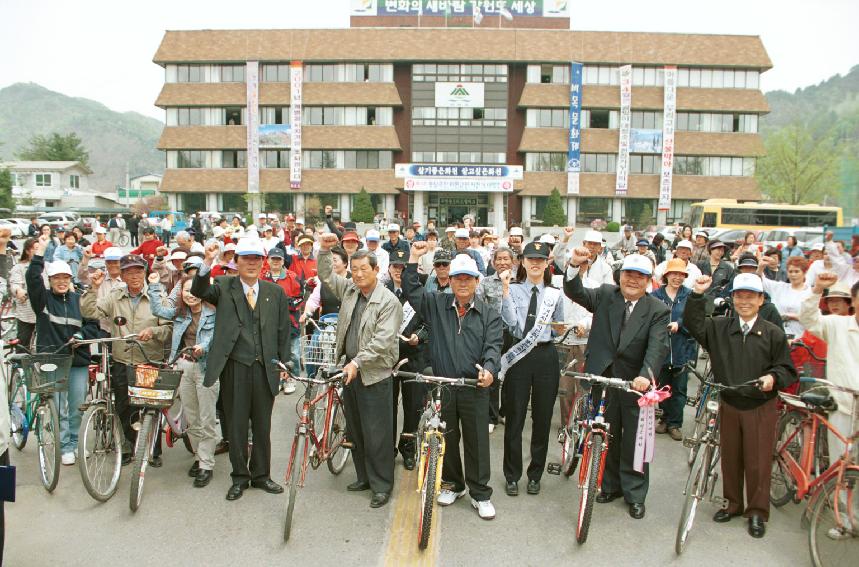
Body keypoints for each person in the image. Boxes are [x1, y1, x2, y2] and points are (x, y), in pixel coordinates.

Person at [685, 273, 797, 538]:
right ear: (733, 298)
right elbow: (692, 322)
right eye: (739, 295)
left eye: (750, 296)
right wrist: (697, 295)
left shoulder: (773, 333)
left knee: (758, 461)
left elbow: (787, 369)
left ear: (761, 300)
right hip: (729, 400)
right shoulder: (719, 327)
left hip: (760, 405)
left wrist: (773, 378)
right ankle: (732, 504)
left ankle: (757, 512)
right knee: (731, 457)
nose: (744, 301)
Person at [564, 250, 670, 519]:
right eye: (628, 274)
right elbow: (575, 291)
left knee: (635, 439)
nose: (633, 280)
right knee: (606, 433)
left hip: (635, 383)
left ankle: (634, 493)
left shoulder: (657, 309)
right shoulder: (604, 295)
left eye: (640, 276)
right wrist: (575, 265)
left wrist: (646, 375)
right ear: (620, 276)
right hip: (603, 376)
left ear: (648, 281)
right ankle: (609, 485)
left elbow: (657, 346)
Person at [404, 242, 502, 520]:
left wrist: (490, 371)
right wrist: (413, 257)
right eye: (457, 278)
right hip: (443, 384)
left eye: (467, 279)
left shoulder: (489, 315)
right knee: (446, 437)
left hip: (474, 387)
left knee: (477, 442)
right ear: (449, 281)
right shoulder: (436, 304)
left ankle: (480, 493)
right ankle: (454, 484)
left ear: (476, 281)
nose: (462, 283)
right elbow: (412, 291)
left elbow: (493, 347)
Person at [190, 239, 291, 500]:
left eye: (257, 258)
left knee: (262, 426)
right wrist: (207, 263)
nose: (252, 263)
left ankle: (261, 475)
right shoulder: (224, 286)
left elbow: (283, 331)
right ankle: (240, 477)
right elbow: (199, 289)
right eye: (246, 258)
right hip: (234, 366)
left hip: (264, 367)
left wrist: (285, 364)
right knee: (235, 427)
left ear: (263, 261)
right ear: (237, 261)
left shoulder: (275, 292)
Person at [317, 236, 401, 508]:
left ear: (377, 270)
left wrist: (356, 362)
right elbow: (326, 275)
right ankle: (364, 477)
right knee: (356, 430)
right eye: (355, 270)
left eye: (365, 269)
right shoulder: (351, 290)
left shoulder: (389, 302)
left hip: (374, 374)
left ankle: (381, 485)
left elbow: (382, 342)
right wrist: (325, 250)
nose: (359, 274)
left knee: (377, 434)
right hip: (350, 371)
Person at [81, 254, 173, 465]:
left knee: (150, 405)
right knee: (124, 405)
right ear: (122, 275)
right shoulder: (114, 297)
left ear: (145, 273)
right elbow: (90, 312)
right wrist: (93, 288)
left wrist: (153, 331)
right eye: (129, 272)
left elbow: (168, 329)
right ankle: (131, 447)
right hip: (122, 360)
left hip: (149, 359)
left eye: (138, 271)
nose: (134, 276)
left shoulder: (157, 295)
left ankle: (153, 450)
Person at [499, 241, 565, 497]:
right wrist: (504, 292)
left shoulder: (554, 293)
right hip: (519, 355)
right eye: (530, 259)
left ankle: (535, 474)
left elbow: (558, 325)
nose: (535, 263)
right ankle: (512, 475)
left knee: (542, 418)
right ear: (522, 262)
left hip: (547, 356)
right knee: (515, 418)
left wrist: (563, 328)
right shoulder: (513, 290)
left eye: (540, 259)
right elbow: (512, 325)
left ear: (547, 263)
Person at [26, 246, 100, 466]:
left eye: (65, 277)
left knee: (77, 405)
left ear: (70, 279)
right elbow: (32, 279)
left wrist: (80, 334)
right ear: (49, 280)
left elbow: (93, 325)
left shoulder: (79, 299)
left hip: (78, 360)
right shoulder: (42, 301)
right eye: (56, 278)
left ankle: (77, 442)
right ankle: (65, 446)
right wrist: (38, 256)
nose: (61, 281)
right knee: (59, 407)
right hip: (52, 360)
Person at [147, 271, 218, 487]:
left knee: (207, 419)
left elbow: (211, 338)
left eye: (195, 290)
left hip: (207, 368)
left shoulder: (214, 313)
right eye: (187, 290)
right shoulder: (180, 313)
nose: (191, 294)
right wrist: (154, 285)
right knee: (192, 418)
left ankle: (206, 464)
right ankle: (199, 456)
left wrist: (202, 348)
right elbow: (158, 309)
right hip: (183, 366)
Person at [800, 274, 859, 464]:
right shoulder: (837, 324)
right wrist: (817, 290)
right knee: (841, 466)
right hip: (843, 406)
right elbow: (808, 318)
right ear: (854, 301)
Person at [385, 249, 428, 470]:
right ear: (389, 268)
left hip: (414, 355)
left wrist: (418, 337)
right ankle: (388, 449)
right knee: (387, 406)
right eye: (395, 267)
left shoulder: (419, 291)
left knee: (413, 407)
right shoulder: (382, 291)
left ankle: (408, 448)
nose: (398, 271)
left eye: (403, 267)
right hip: (388, 357)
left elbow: (428, 323)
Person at [650, 259, 696, 441]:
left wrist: (680, 324)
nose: (677, 277)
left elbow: (695, 321)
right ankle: (664, 419)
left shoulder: (690, 296)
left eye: (681, 274)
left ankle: (675, 424)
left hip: (681, 348)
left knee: (679, 390)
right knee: (662, 387)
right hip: (660, 349)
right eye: (674, 274)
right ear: (666, 275)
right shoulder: (655, 296)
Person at [477, 247, 515, 429]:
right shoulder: (485, 282)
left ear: (513, 261)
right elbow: (479, 306)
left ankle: (505, 411)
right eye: (498, 259)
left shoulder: (519, 283)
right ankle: (490, 416)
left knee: (511, 375)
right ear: (493, 262)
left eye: (506, 259)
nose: (502, 262)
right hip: (492, 334)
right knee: (493, 373)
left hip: (514, 335)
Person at [261, 247, 303, 391]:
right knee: (274, 353)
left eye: (278, 259)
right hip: (269, 323)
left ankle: (292, 378)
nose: (276, 262)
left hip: (290, 322)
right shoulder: (262, 277)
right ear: (268, 260)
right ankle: (278, 379)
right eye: (273, 259)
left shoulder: (292, 276)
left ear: (283, 260)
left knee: (293, 354)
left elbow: (300, 297)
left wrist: (286, 303)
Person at [758, 255, 812, 338]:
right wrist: (761, 267)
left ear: (804, 273)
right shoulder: (779, 287)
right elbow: (759, 280)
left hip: (801, 337)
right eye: (790, 271)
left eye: (797, 271)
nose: (793, 274)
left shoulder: (811, 292)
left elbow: (814, 319)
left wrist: (793, 317)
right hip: (777, 336)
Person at [8, 238, 37, 348]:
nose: (38, 252)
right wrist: (18, 290)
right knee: (23, 344)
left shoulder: (47, 266)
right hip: (27, 311)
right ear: (28, 251)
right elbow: (15, 284)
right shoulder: (19, 267)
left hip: (45, 312)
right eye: (35, 249)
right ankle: (20, 363)